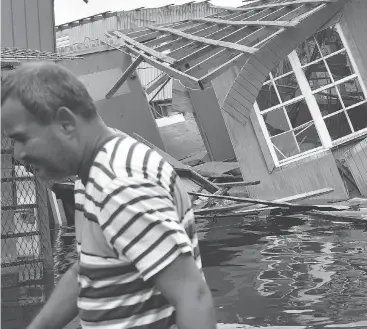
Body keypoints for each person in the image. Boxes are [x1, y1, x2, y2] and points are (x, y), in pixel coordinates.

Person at [1, 62, 217, 329]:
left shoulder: (118, 185)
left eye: (22, 138)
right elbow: (89, 272)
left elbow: (193, 297)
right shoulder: (94, 170)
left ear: (66, 123)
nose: (17, 155)